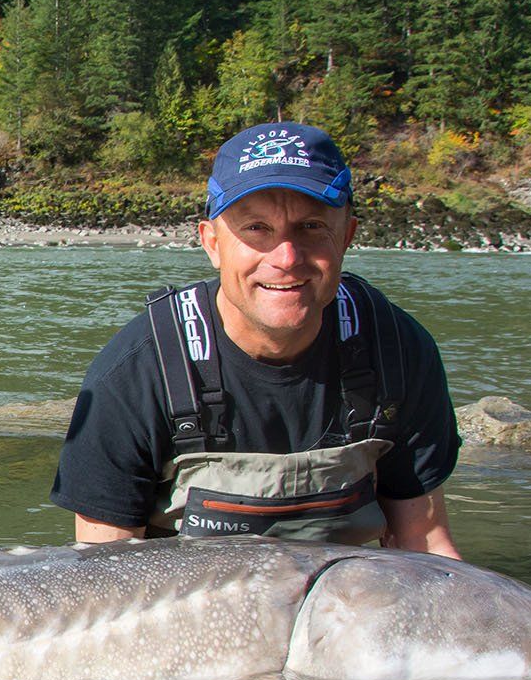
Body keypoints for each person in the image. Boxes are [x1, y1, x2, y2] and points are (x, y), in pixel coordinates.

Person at [51, 121, 461, 555]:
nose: (286, 258)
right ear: (211, 243)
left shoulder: (399, 350)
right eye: (257, 229)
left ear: (347, 237)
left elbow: (425, 543)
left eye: (312, 227)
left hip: (335, 612)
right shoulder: (134, 372)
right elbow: (101, 573)